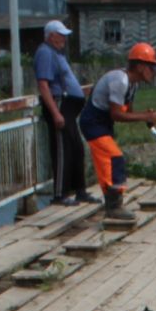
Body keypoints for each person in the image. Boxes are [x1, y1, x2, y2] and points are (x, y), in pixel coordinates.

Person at [78, 42, 156, 219]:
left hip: (103, 124)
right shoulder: (120, 81)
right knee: (114, 157)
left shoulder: (133, 85)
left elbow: (128, 113)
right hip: (93, 123)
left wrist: (145, 115)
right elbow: (117, 114)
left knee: (107, 161)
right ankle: (114, 207)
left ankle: (112, 203)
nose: (154, 72)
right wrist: (144, 117)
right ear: (139, 66)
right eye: (151, 67)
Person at [34, 20, 95, 206]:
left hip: (69, 106)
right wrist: (55, 113)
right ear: (51, 35)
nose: (64, 38)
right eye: (60, 35)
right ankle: (59, 194)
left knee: (76, 148)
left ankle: (80, 191)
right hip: (59, 104)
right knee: (62, 151)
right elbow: (43, 85)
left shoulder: (57, 53)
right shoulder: (45, 52)